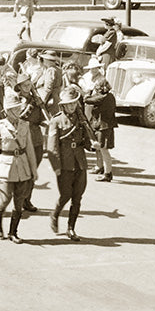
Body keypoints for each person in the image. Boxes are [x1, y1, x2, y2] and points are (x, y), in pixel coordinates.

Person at [0, 92, 37, 243]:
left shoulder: (25, 125)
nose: (18, 111)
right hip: (5, 165)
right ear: (8, 111)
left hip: (22, 166)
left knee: (19, 202)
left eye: (19, 108)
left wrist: (33, 170)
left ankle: (13, 232)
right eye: (15, 109)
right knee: (5, 198)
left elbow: (29, 149)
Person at [47, 85, 94, 241]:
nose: (72, 106)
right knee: (65, 195)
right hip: (65, 164)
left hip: (80, 162)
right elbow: (52, 147)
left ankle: (71, 228)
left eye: (74, 103)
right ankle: (55, 213)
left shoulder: (81, 120)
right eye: (69, 103)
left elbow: (86, 140)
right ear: (63, 105)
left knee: (77, 197)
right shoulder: (56, 121)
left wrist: (92, 146)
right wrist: (57, 167)